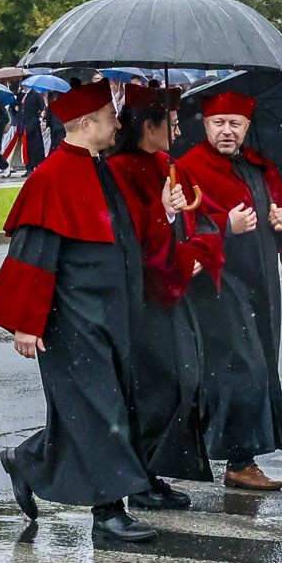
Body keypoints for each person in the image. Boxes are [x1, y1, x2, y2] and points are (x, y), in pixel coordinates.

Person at [0, 79, 156, 542]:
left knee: (94, 408)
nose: (118, 125)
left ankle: (27, 460)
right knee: (101, 409)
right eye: (110, 118)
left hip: (110, 313)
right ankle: (108, 511)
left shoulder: (101, 168)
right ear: (85, 124)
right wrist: (26, 323)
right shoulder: (51, 177)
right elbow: (32, 255)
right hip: (73, 318)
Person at [176, 91, 282, 490]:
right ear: (205, 125)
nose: (227, 131)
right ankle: (240, 459)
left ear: (247, 127)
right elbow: (182, 226)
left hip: (261, 283)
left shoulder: (260, 166)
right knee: (243, 367)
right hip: (219, 284)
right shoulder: (189, 167)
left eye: (235, 123)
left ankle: (232, 455)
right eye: (219, 123)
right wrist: (225, 225)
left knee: (258, 364)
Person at [104, 82, 218, 509]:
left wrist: (197, 252)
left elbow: (196, 222)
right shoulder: (119, 169)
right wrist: (165, 212)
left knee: (184, 380)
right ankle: (140, 477)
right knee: (157, 388)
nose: (178, 132)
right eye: (171, 124)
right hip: (143, 300)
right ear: (147, 125)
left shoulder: (164, 164)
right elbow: (131, 238)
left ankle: (149, 471)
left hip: (173, 292)